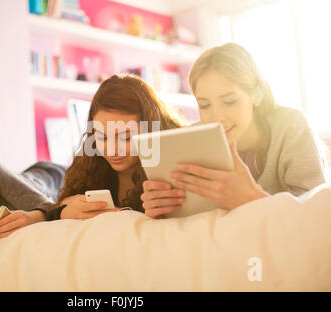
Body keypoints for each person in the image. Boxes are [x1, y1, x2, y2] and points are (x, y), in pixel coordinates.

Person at [141, 42, 329, 218]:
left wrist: (251, 199)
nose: (217, 117)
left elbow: (315, 216)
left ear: (256, 94)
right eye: (204, 105)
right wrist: (162, 207)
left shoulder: (291, 125)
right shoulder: (193, 138)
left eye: (229, 102)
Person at [53, 74, 186, 220]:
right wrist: (62, 212)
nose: (113, 150)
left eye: (126, 137)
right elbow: (60, 207)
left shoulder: (173, 163)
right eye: (102, 137)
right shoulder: (89, 165)